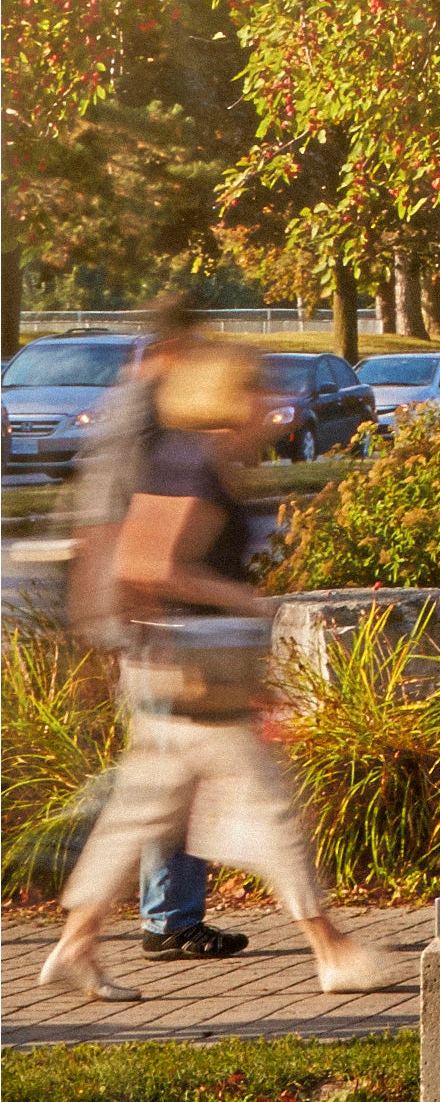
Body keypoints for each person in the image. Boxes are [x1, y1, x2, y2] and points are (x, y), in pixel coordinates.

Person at [41, 316, 403, 1005]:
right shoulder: (196, 464)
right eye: (258, 386)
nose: (272, 397)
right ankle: (330, 948)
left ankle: (76, 944)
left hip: (182, 673)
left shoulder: (192, 457)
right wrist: (243, 600)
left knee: (140, 815)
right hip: (196, 676)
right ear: (227, 395)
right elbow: (148, 562)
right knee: (271, 809)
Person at [66, 305, 248, 959]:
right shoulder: (155, 417)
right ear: (175, 344)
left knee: (159, 786)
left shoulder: (127, 407)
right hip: (156, 622)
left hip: (140, 616)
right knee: (162, 789)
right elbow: (133, 522)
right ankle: (165, 917)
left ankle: (141, 920)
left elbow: (98, 515)